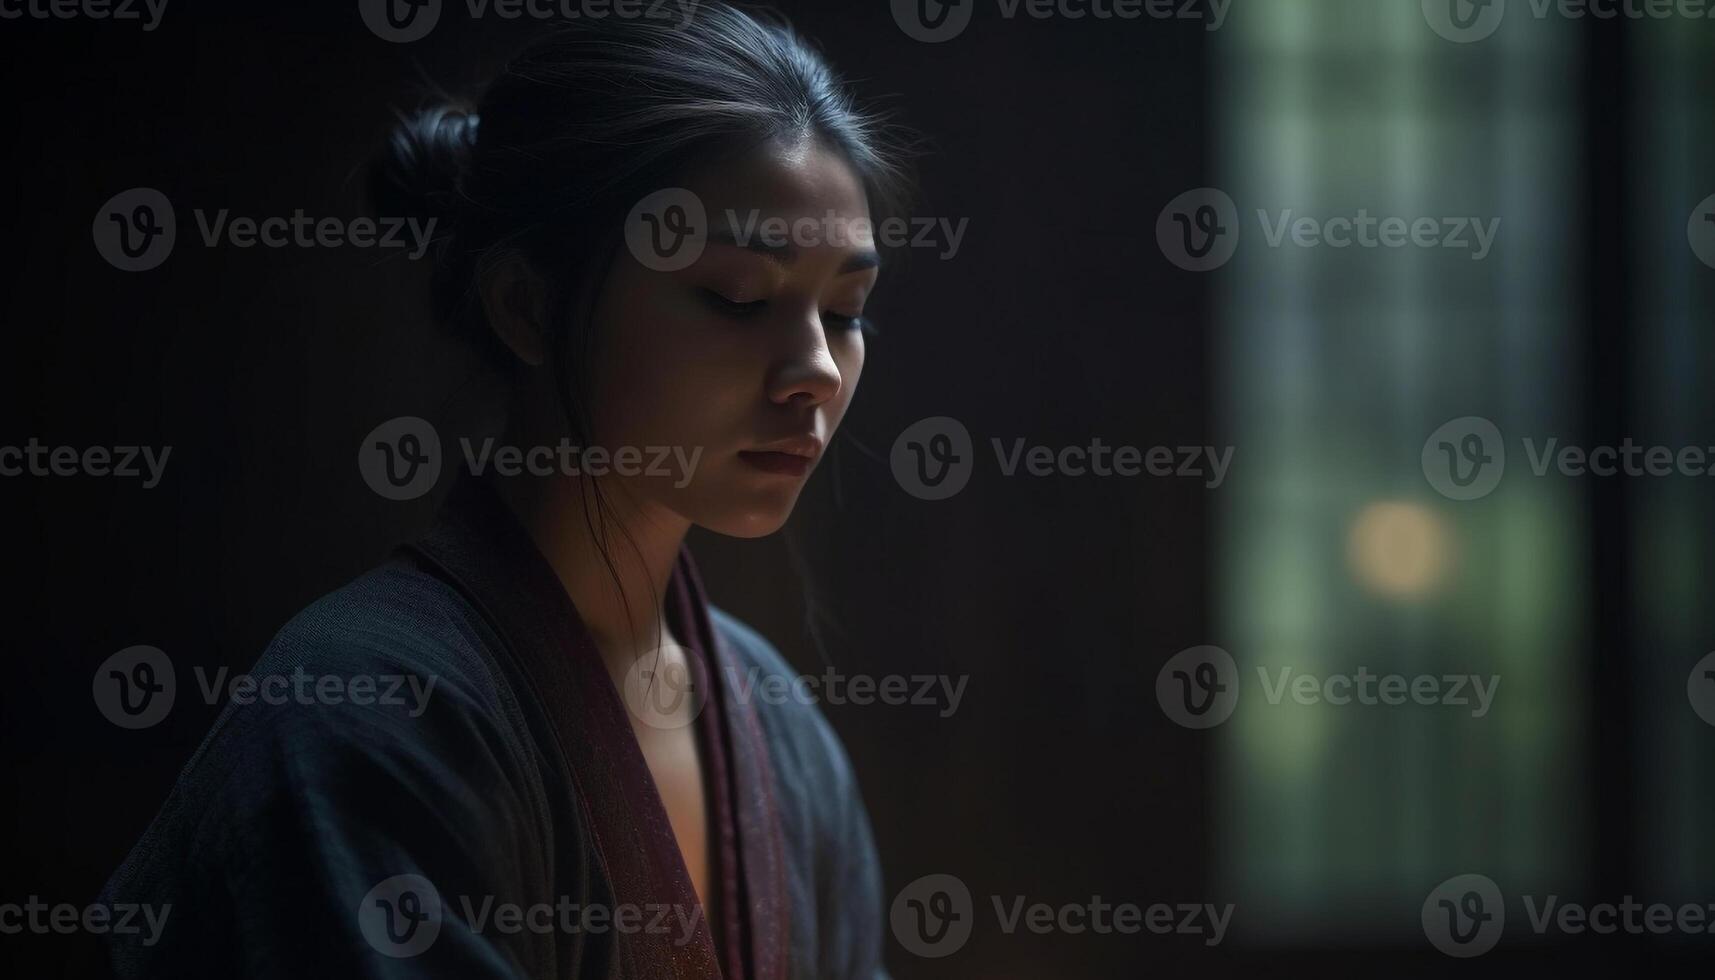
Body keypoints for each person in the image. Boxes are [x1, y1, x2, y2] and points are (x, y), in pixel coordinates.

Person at [101, 6, 912, 977]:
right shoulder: (358, 713)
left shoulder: (784, 732)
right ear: (526, 303)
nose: (816, 368)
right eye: (738, 296)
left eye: (843, 311)